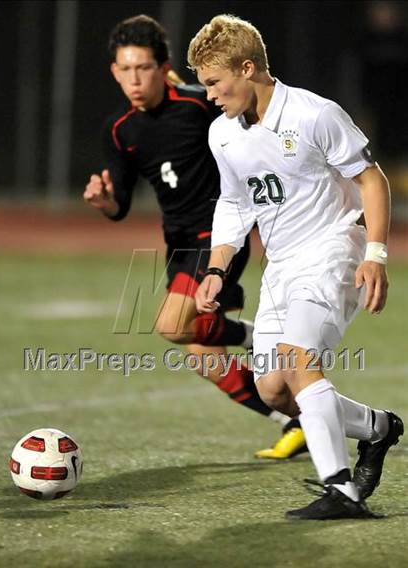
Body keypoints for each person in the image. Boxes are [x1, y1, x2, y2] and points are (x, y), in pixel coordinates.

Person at [188, 14, 404, 520]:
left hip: (333, 249)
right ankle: (377, 428)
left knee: (298, 361)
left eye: (216, 84)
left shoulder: (314, 114)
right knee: (274, 391)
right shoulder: (223, 133)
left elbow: (372, 181)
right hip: (280, 266)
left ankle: (341, 490)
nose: (211, 96)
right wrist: (218, 268)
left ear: (247, 68)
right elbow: (235, 202)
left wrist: (375, 255)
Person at [83, 15, 306, 458]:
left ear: (163, 67)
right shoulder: (119, 129)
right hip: (179, 243)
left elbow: (252, 118)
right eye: (124, 69)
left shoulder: (197, 104)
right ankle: (297, 421)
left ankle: (264, 336)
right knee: (203, 355)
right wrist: (105, 201)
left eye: (143, 68)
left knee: (172, 325)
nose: (134, 79)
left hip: (221, 233)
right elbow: (121, 204)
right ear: (114, 71)